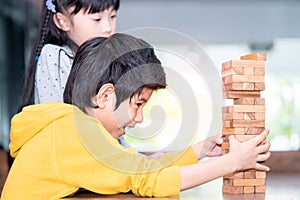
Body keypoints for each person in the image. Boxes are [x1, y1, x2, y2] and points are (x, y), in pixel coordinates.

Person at [1, 33, 271, 199]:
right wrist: (232, 163)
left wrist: (198, 150)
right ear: (105, 96)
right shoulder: (77, 133)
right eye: (138, 104)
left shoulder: (67, 125)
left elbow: (139, 167)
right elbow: (148, 181)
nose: (140, 118)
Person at [18, 0, 119, 111]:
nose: (108, 28)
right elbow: (57, 118)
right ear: (63, 22)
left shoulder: (106, 59)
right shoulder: (55, 56)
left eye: (112, 16)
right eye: (97, 19)